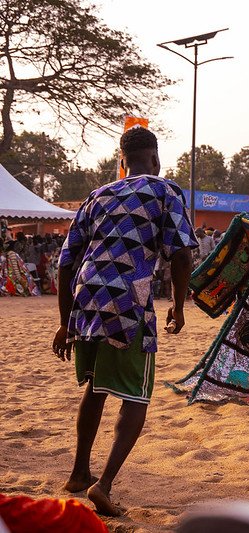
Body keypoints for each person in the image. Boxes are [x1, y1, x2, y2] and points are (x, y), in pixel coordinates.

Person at [51, 127, 197, 516]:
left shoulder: (97, 195)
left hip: (86, 298)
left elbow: (65, 262)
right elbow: (181, 256)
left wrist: (66, 322)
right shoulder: (165, 190)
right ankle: (104, 484)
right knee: (136, 395)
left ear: (121, 161)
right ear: (155, 160)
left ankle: (79, 473)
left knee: (96, 387)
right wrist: (179, 306)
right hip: (128, 300)